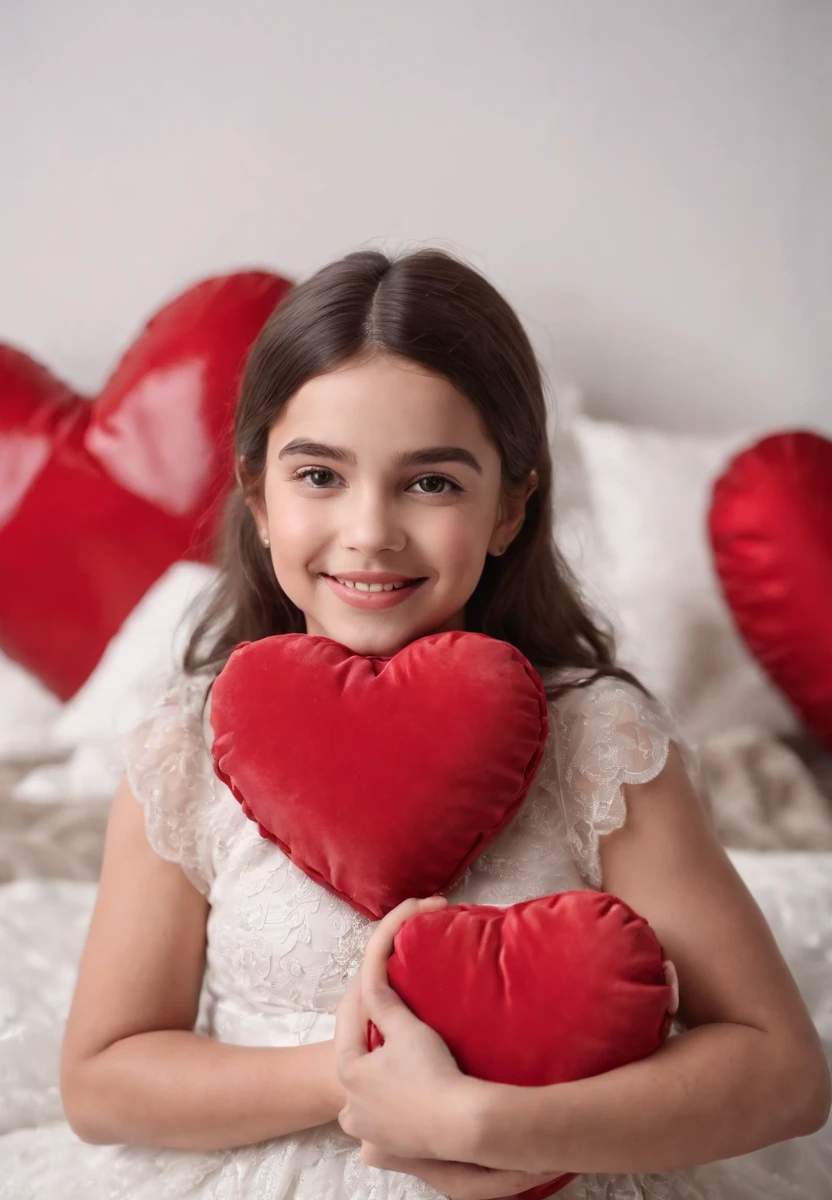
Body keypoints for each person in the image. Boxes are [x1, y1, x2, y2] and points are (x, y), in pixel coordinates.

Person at [1, 248, 829, 1200]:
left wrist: (492, 1124)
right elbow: (103, 1079)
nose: (370, 530)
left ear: (511, 506)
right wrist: (357, 1076)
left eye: (430, 483)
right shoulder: (188, 746)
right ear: (258, 494)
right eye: (320, 476)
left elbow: (781, 1072)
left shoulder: (601, 742)